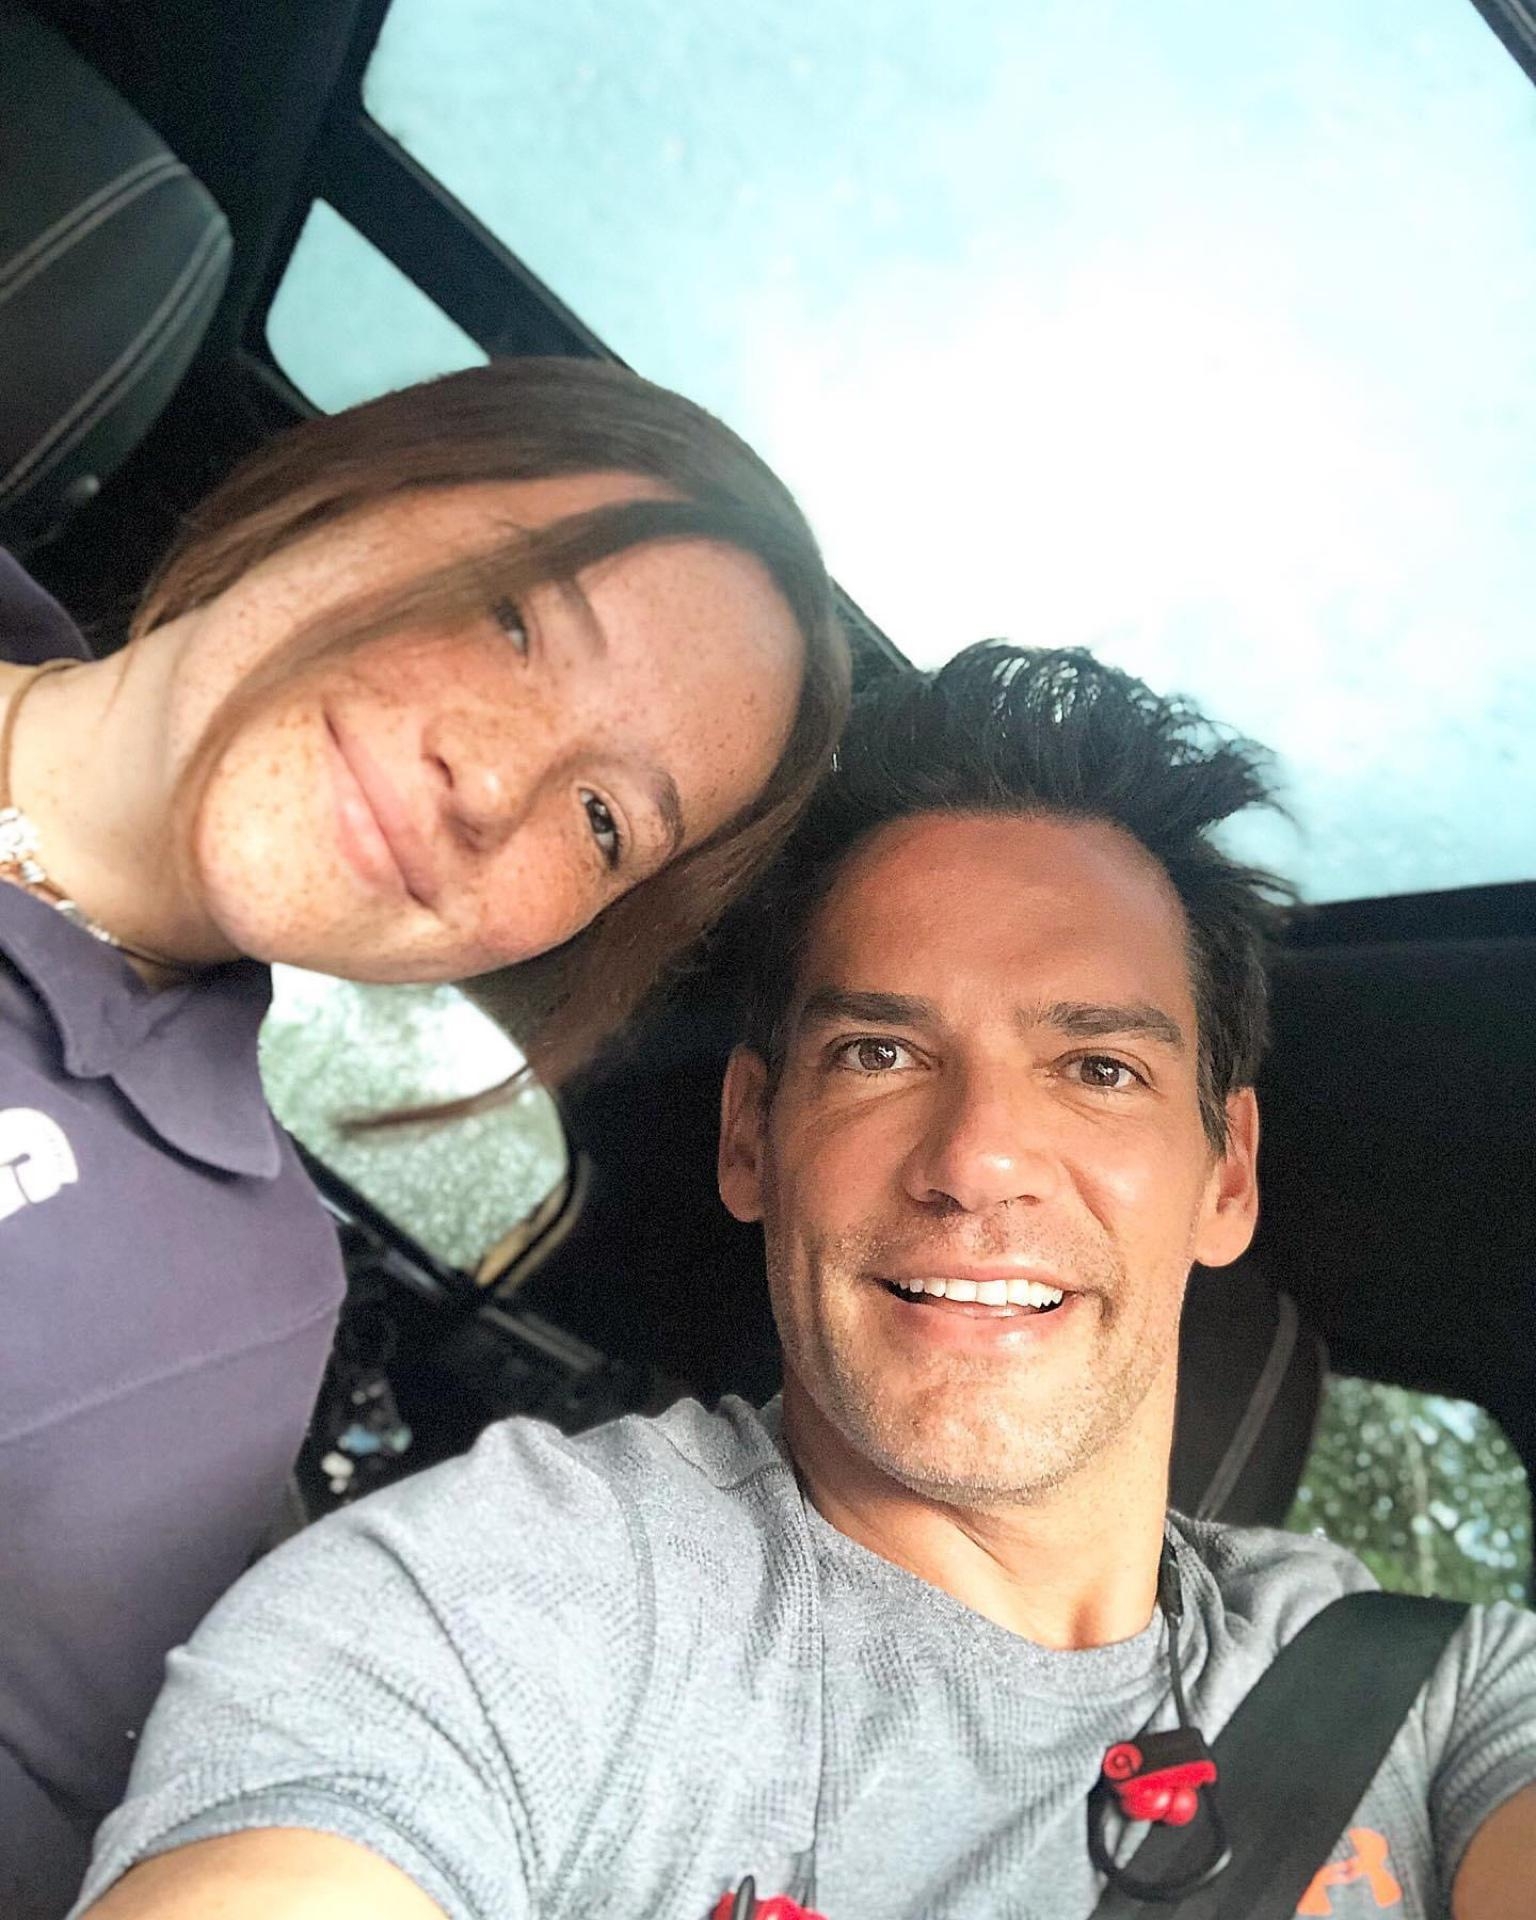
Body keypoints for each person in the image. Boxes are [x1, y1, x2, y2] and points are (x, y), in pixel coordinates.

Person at [72, 646, 1534, 1920]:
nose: (976, 1160)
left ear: (1227, 1176)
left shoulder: (1443, 1702)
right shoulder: (506, 1608)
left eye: (1098, 1069)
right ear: (749, 1139)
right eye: (879, 1053)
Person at [0, 354, 848, 1917]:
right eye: (515, 615)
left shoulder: (225, 1313)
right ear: (355, 490)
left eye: (605, 822)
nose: (495, 780)